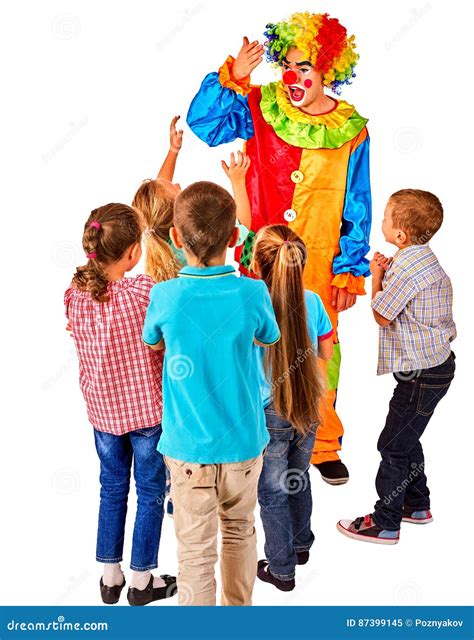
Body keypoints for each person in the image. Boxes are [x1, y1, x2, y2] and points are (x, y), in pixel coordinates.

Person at [187, 11, 372, 485]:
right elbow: (205, 125)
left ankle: (320, 439)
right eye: (288, 65)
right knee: (252, 342)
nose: (293, 77)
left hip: (318, 260)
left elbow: (358, 200)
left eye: (306, 67)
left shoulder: (351, 130)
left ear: (329, 70)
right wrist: (235, 75)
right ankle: (249, 430)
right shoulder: (260, 104)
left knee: (318, 348)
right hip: (259, 259)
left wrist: (348, 268)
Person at [142, 181, 280, 606]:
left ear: (176, 238)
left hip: (187, 451)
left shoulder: (164, 295)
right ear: (235, 238)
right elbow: (268, 337)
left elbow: (152, 341)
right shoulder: (252, 291)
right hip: (243, 445)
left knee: (195, 552)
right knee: (240, 531)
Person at [64, 203, 177, 605]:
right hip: (147, 413)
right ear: (133, 252)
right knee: (149, 493)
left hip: (103, 414)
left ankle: (110, 577)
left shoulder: (73, 294)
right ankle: (143, 581)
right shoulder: (144, 292)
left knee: (111, 490)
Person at [337, 189, 456, 544]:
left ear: (400, 235)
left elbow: (381, 315)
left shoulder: (403, 267)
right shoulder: (423, 257)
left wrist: (376, 277)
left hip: (422, 374)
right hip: (436, 367)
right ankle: (417, 505)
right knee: (406, 436)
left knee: (391, 445)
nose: (383, 223)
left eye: (387, 219)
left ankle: (385, 521)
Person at [252, 225, 333, 591]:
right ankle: (300, 546)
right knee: (298, 478)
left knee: (272, 492)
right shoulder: (313, 300)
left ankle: (282, 569)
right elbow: (326, 353)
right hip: (308, 406)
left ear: (257, 264)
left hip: (270, 413)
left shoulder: (251, 302)